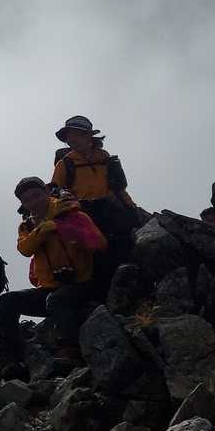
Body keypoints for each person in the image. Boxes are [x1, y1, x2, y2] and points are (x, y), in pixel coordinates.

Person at [0, 176, 108, 369]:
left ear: (47, 193)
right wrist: (44, 228)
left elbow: (98, 242)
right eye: (27, 200)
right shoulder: (27, 227)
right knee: (7, 301)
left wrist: (61, 228)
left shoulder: (70, 212)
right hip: (50, 288)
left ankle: (71, 351)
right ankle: (11, 360)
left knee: (57, 300)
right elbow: (25, 249)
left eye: (37, 195)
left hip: (82, 283)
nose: (33, 202)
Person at [49, 116, 139, 296]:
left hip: (110, 210)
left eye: (75, 134)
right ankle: (102, 294)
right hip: (83, 213)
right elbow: (54, 193)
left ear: (88, 136)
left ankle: (122, 290)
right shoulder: (65, 163)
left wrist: (132, 208)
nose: (71, 139)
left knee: (119, 248)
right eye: (68, 136)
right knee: (95, 254)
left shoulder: (105, 158)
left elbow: (118, 188)